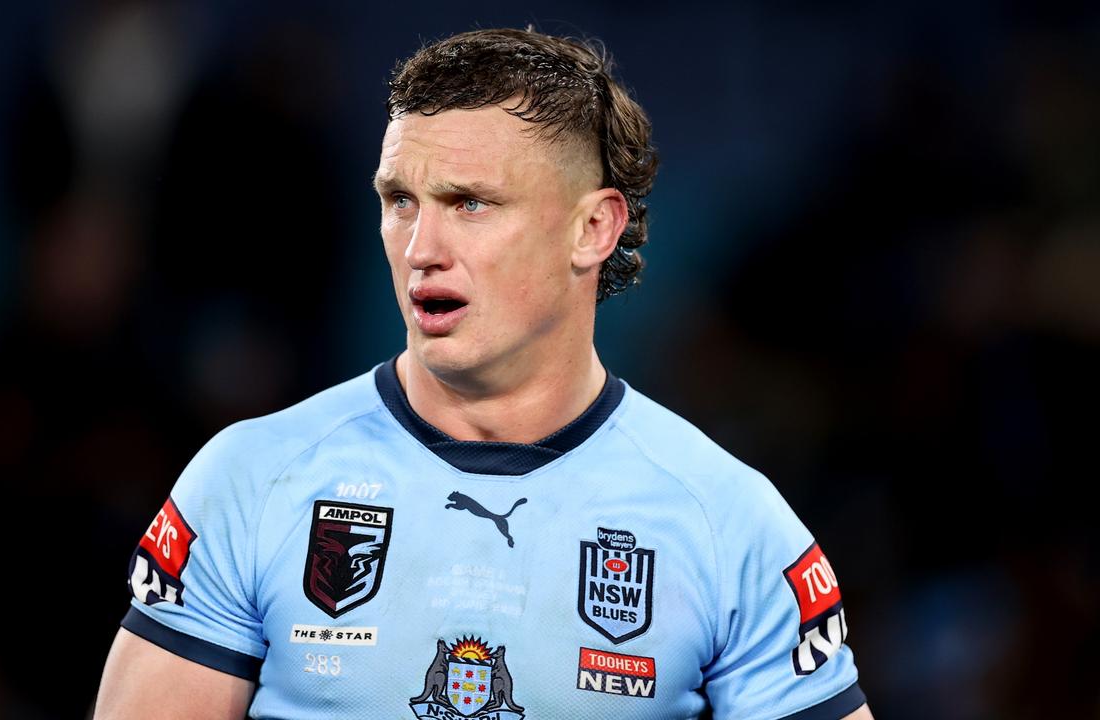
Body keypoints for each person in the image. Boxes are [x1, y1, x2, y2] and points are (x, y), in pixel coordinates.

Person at [94, 27, 872, 720]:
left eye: (469, 203)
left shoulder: (730, 525)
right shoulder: (248, 482)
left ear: (593, 227)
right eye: (400, 199)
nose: (421, 246)